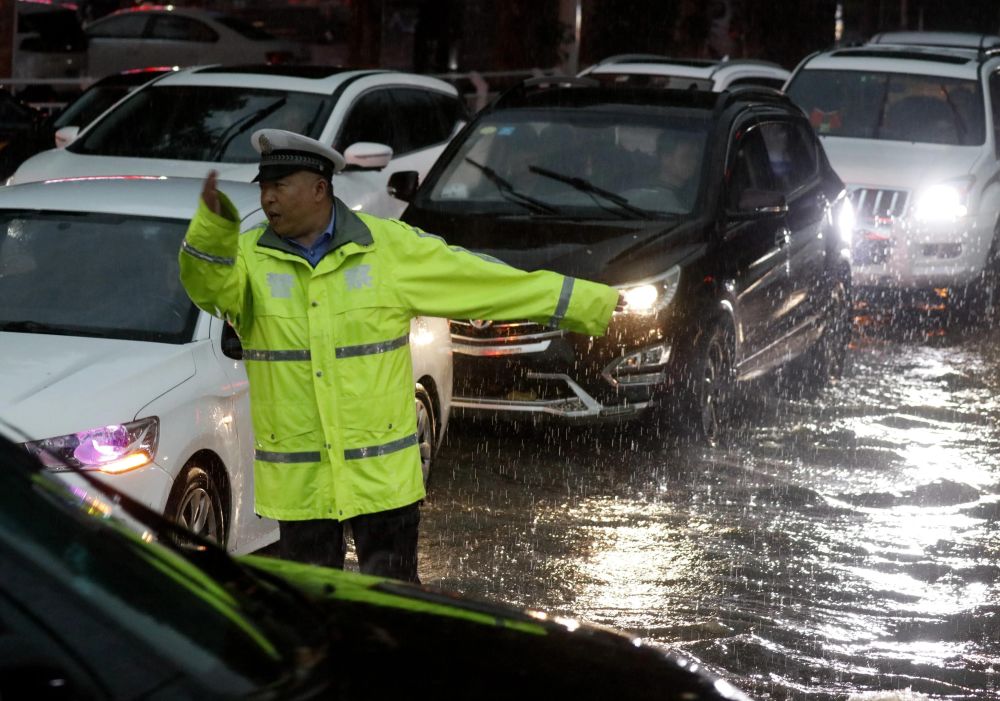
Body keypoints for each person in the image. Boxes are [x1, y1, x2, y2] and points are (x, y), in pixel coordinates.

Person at [179, 129, 623, 583]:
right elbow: (207, 289)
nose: (267, 199)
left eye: (279, 186)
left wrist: (589, 304)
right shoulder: (249, 260)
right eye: (263, 188)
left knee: (395, 610)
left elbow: (481, 281)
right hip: (301, 488)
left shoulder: (386, 249)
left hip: (382, 483)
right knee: (310, 615)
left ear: (318, 188)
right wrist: (213, 228)